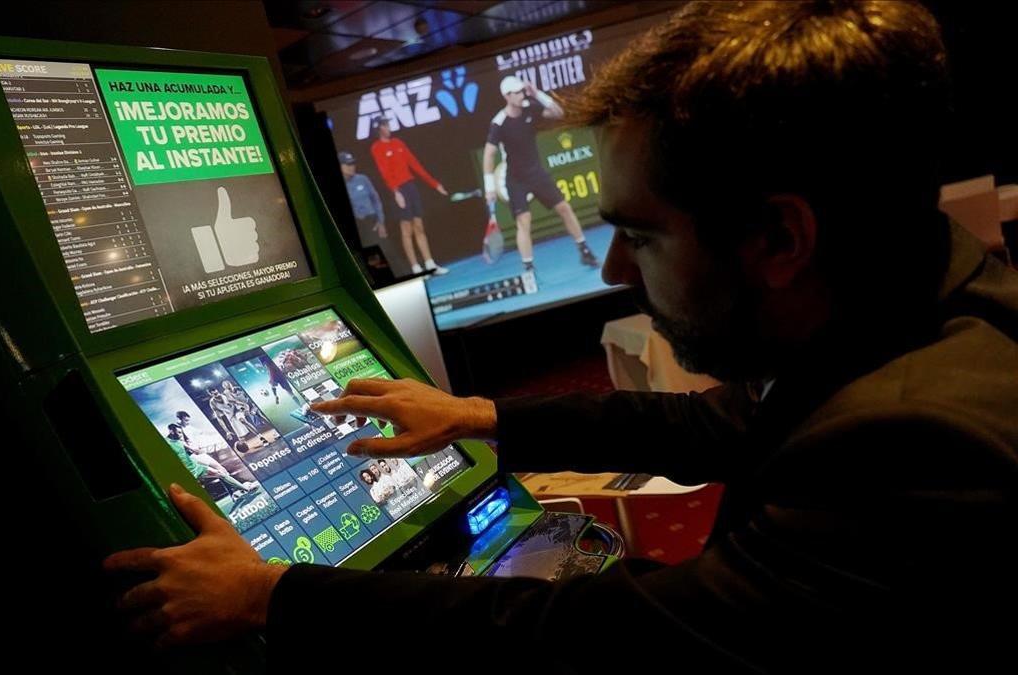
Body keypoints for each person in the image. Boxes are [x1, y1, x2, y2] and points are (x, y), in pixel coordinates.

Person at [105, 3, 1018, 672]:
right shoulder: (914, 302)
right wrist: (480, 413)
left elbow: (619, 641)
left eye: (645, 233)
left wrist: (272, 594)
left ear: (780, 238)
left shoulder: (918, 445)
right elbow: (715, 427)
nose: (618, 269)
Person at [484, 75, 600, 277]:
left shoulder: (530, 107)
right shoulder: (499, 123)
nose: (522, 94)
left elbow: (558, 113)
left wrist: (537, 94)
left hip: (536, 173)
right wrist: (489, 187)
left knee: (564, 208)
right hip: (516, 179)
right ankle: (528, 268)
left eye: (522, 91)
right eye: (518, 92)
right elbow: (489, 154)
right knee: (524, 221)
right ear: (507, 96)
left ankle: (585, 251)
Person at [368, 117, 451, 276]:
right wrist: (396, 192)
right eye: (385, 125)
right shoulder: (376, 148)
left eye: (388, 124)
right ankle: (415, 268)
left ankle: (430, 264)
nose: (389, 127)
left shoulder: (398, 143)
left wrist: (435, 184)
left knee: (419, 226)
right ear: (379, 129)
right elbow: (384, 172)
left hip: (411, 187)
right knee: (406, 230)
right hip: (398, 190)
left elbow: (415, 165)